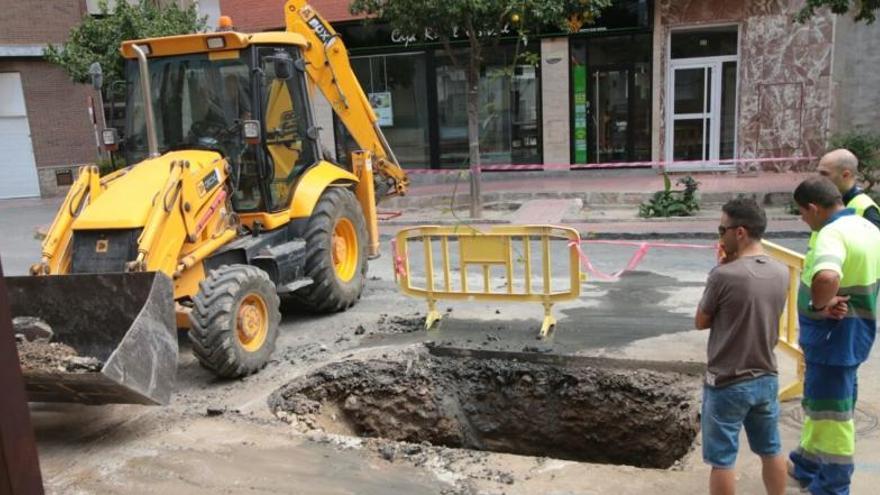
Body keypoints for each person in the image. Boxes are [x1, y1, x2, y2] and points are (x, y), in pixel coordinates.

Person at [789, 177, 880, 494]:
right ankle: (808, 462)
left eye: (802, 214)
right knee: (821, 404)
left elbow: (827, 274)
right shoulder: (868, 228)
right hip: (852, 336)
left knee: (834, 416)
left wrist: (819, 303)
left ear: (813, 208)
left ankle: (833, 485)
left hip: (833, 340)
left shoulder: (831, 233)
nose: (803, 221)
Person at [695, 197, 790, 495]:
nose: (719, 236)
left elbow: (701, 321)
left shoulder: (723, 275)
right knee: (771, 449)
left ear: (740, 232)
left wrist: (721, 270)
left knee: (722, 460)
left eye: (722, 229)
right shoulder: (782, 271)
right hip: (766, 376)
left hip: (728, 381)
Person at [816, 148, 880, 230]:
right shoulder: (827, 201)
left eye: (824, 173)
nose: (818, 178)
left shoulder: (866, 209)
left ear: (846, 175)